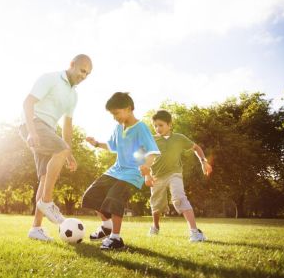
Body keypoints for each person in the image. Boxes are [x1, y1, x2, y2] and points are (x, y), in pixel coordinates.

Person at [19, 54, 92, 241]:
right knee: (56, 158)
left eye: (88, 74)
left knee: (45, 178)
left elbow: (67, 126)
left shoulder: (73, 95)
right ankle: (47, 202)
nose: (84, 76)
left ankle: (35, 229)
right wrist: (32, 130)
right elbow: (28, 102)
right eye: (82, 70)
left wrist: (69, 153)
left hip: (48, 130)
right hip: (34, 124)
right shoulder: (50, 78)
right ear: (72, 65)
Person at [82, 92, 160, 250]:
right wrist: (96, 143)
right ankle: (106, 227)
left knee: (114, 198)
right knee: (91, 195)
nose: (114, 117)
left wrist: (146, 167)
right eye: (112, 114)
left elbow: (151, 151)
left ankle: (116, 239)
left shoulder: (141, 127)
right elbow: (112, 146)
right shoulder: (118, 127)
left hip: (132, 173)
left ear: (129, 108)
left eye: (116, 113)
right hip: (116, 170)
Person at [147, 109, 213, 242]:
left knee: (179, 198)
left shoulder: (179, 138)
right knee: (156, 205)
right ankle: (155, 226)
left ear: (169, 124)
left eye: (161, 125)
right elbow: (145, 158)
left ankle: (194, 232)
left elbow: (196, 148)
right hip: (156, 177)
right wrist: (146, 174)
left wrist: (203, 161)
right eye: (155, 125)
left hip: (174, 174)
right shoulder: (151, 140)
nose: (158, 128)